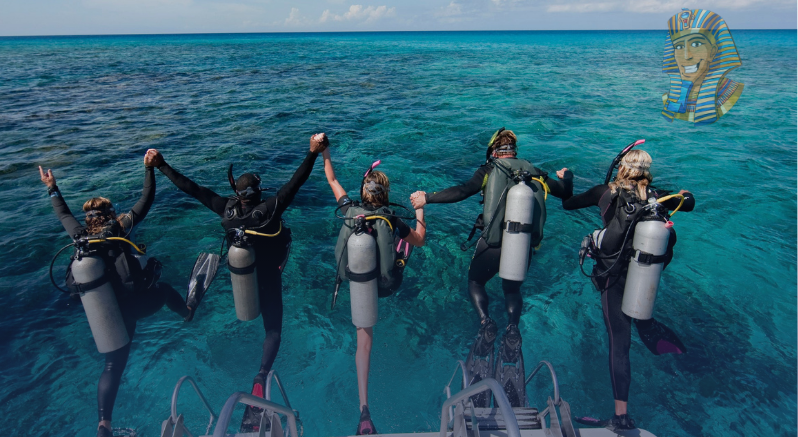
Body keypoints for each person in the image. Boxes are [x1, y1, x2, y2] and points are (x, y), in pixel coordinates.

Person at [146, 134, 327, 433]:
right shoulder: (269, 209)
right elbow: (297, 181)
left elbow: (192, 188)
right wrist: (312, 153)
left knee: (228, 280)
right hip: (268, 277)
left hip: (240, 279)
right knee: (273, 330)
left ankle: (189, 308)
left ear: (238, 193)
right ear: (258, 193)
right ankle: (260, 375)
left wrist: (162, 164)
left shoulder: (224, 209)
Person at [410, 128, 572, 408]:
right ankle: (512, 328)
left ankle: (486, 322)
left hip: (493, 245)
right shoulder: (535, 172)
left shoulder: (488, 169)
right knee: (512, 288)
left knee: (476, 283)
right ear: (514, 150)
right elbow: (565, 193)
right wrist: (565, 176)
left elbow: (463, 190)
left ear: (494, 150)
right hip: (521, 246)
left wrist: (428, 198)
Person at [39, 151, 190, 437]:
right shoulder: (120, 227)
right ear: (110, 215)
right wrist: (149, 170)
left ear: (88, 219)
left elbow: (63, 214)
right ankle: (188, 314)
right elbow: (146, 200)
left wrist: (52, 188)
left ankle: (103, 425)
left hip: (106, 312)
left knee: (112, 366)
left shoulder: (79, 237)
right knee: (166, 290)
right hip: (136, 305)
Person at [562, 149, 695, 429]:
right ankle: (665, 342)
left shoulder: (604, 192)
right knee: (638, 318)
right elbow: (690, 202)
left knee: (619, 343)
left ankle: (620, 417)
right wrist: (683, 194)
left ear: (622, 168)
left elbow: (568, 204)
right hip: (643, 271)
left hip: (612, 276)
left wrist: (567, 179)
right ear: (647, 170)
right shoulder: (658, 196)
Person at [321, 136, 426, 435]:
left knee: (363, 342)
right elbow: (421, 238)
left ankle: (363, 409)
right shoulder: (392, 217)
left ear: (363, 193)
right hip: (387, 284)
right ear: (385, 194)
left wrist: (324, 151)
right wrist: (420, 209)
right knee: (407, 245)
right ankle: (394, 254)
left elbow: (332, 178)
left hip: (358, 284)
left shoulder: (347, 209)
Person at [661, 8, 743, 125]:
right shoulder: (667, 100)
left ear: (713, 52)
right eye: (679, 47)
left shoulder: (733, 94)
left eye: (696, 44)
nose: (686, 56)